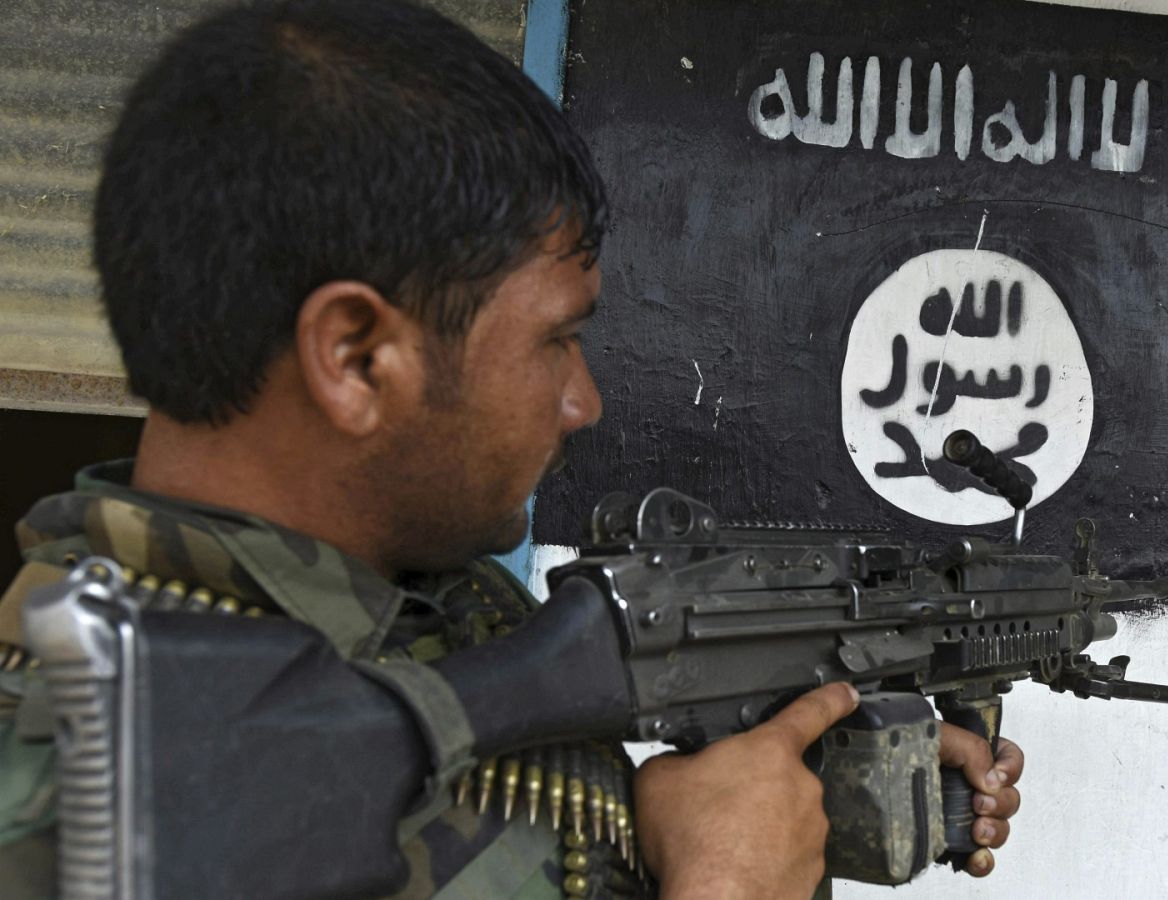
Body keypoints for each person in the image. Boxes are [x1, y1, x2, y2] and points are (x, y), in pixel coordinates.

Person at [0, 1, 1024, 898]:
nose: (584, 402)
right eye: (555, 340)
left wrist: (766, 773)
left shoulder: (443, 610)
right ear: (355, 358)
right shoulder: (78, 810)